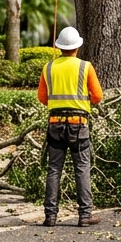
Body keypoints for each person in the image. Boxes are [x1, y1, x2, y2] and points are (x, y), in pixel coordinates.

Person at [37, 26, 104, 227]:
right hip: (78, 124)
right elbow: (98, 96)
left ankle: (50, 216)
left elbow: (42, 97)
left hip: (55, 124)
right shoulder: (85, 67)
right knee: (82, 168)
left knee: (54, 169)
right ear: (77, 47)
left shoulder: (48, 67)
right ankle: (85, 215)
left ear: (59, 47)